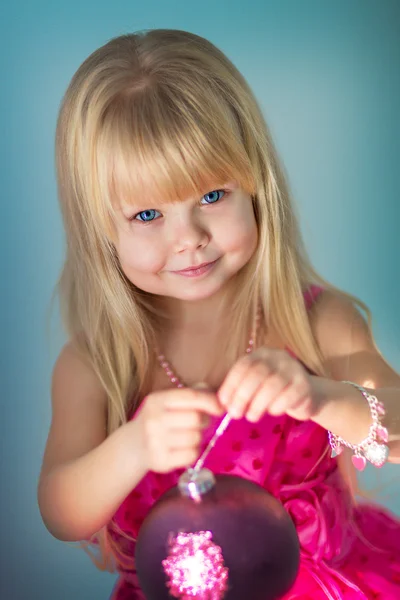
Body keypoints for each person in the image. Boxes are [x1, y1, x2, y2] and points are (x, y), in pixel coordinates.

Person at [37, 29, 400, 599]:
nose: (190, 240)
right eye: (148, 214)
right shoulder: (96, 365)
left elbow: (397, 427)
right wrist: (133, 446)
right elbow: (62, 512)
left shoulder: (317, 323)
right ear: (101, 229)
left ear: (256, 187)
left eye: (211, 197)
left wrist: (320, 396)